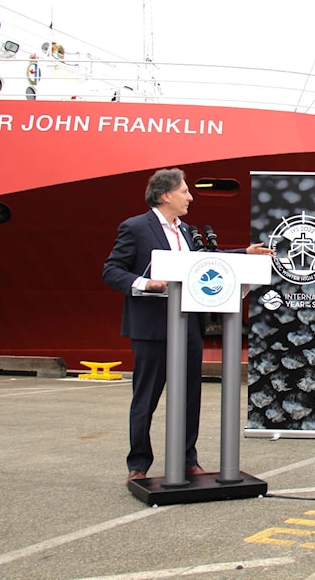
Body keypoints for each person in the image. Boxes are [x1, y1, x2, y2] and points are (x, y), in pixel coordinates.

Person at [102, 168, 271, 484]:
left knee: (190, 396)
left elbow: (208, 262)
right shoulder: (136, 227)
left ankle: (187, 460)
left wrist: (244, 254)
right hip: (152, 328)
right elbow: (111, 270)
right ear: (166, 195)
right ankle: (138, 464)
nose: (190, 197)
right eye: (185, 192)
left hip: (190, 324)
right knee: (146, 398)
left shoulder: (189, 231)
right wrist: (145, 283)